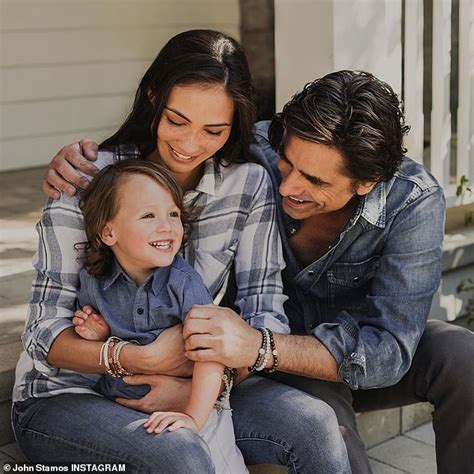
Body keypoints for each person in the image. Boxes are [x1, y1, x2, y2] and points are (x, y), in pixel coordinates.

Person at [46, 70, 474, 474]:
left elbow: (388, 353)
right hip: (266, 357)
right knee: (322, 413)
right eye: (288, 164)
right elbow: (179, 142)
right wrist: (86, 160)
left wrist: (257, 347)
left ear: (368, 181)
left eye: (315, 181)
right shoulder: (255, 144)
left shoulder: (411, 202)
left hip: (312, 350)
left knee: (462, 357)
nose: (288, 187)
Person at [13, 29, 351, 474]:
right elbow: (43, 332)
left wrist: (205, 385)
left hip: (199, 385)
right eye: (177, 121)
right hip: (69, 396)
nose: (190, 145)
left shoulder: (246, 185)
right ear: (154, 97)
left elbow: (264, 312)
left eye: (214, 130)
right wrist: (138, 359)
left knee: (315, 424)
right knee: (180, 452)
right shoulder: (85, 180)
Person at [73, 159, 248, 473]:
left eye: (173, 214)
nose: (167, 226)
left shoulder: (183, 284)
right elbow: (113, 342)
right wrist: (99, 335)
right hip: (121, 408)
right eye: (148, 215)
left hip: (192, 407)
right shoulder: (94, 281)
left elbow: (211, 356)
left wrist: (194, 417)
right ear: (108, 232)